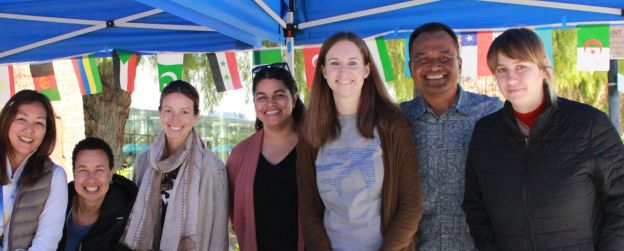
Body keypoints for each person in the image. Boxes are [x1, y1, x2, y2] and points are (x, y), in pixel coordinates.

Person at [463, 28, 624, 250]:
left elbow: (620, 198)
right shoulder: (486, 133)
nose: (511, 78)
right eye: (502, 69)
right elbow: (475, 206)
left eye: (521, 66)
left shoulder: (589, 125)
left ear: (543, 70)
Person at [298, 31, 423, 251]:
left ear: (366, 70)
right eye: (335, 62)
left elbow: (411, 205)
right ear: (323, 71)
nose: (343, 71)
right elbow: (307, 207)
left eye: (352, 62)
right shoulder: (311, 131)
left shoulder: (391, 125)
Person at [399, 22, 503, 250]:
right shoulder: (396, 120)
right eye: (423, 59)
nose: (434, 66)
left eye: (445, 57)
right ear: (411, 66)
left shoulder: (492, 112)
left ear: (459, 63)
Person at [121, 80, 228, 250]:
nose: (175, 119)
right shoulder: (144, 161)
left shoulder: (212, 166)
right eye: (168, 110)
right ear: (160, 113)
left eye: (184, 112)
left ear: (196, 116)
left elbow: (218, 230)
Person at [226, 62, 305, 251]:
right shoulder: (240, 156)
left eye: (279, 95)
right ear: (254, 103)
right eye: (262, 97)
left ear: (294, 99)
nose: (270, 104)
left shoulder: (316, 148)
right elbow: (232, 212)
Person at [0, 90, 68, 250]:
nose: (29, 129)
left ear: (47, 131)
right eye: (22, 119)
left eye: (39, 123)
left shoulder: (54, 177)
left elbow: (47, 240)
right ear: (6, 121)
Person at [57, 137, 137, 251]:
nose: (91, 179)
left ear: (110, 174)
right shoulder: (55, 204)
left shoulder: (128, 215)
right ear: (74, 173)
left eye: (99, 170)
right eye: (83, 170)